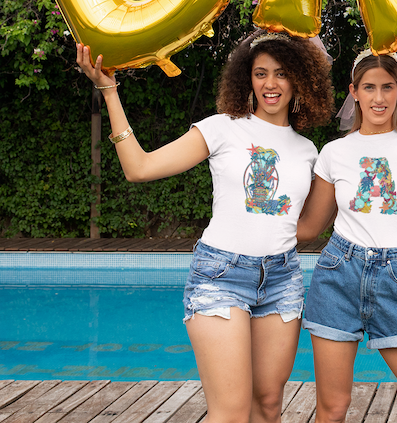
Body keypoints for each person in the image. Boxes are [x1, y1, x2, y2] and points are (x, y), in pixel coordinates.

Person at [75, 32, 336, 423]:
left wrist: (273, 232)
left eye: (281, 74)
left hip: (282, 279)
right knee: (230, 411)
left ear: (298, 80)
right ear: (246, 79)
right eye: (260, 73)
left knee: (267, 405)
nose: (270, 84)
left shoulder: (307, 150)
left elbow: (303, 226)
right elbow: (139, 167)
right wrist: (109, 91)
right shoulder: (221, 128)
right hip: (221, 276)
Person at [296, 22, 397, 423]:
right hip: (338, 276)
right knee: (332, 409)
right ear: (354, 93)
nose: (379, 97)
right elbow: (310, 227)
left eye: (388, 87)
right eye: (369, 87)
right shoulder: (334, 152)